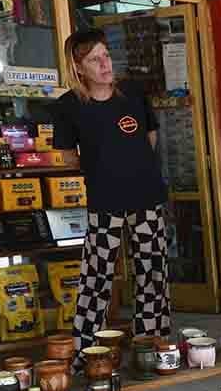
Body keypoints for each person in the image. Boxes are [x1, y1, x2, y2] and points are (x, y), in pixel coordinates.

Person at [52, 29, 171, 369]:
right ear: (78, 67)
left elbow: (149, 138)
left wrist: (130, 167)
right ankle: (86, 354)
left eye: (106, 55)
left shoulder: (133, 94)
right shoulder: (68, 107)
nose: (105, 64)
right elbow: (65, 155)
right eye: (95, 59)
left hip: (146, 197)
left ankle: (153, 346)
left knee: (153, 273)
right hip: (104, 202)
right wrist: (104, 167)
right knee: (96, 278)